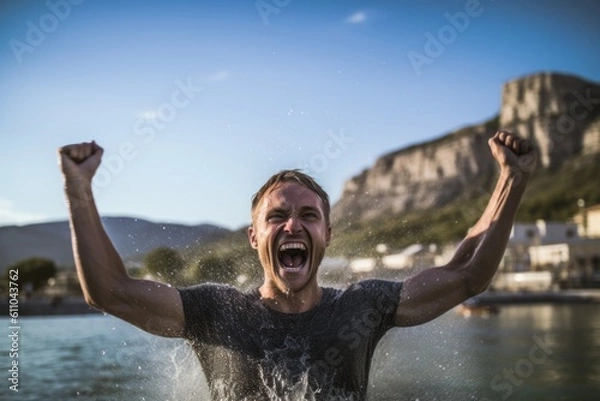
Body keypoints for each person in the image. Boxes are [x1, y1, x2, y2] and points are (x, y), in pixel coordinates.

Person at [58, 130, 536, 400]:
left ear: (326, 233)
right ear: (254, 237)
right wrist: (79, 190)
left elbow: (466, 275)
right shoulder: (214, 311)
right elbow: (108, 290)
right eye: (277, 216)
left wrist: (511, 182)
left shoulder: (363, 307)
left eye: (309, 215)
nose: (293, 225)